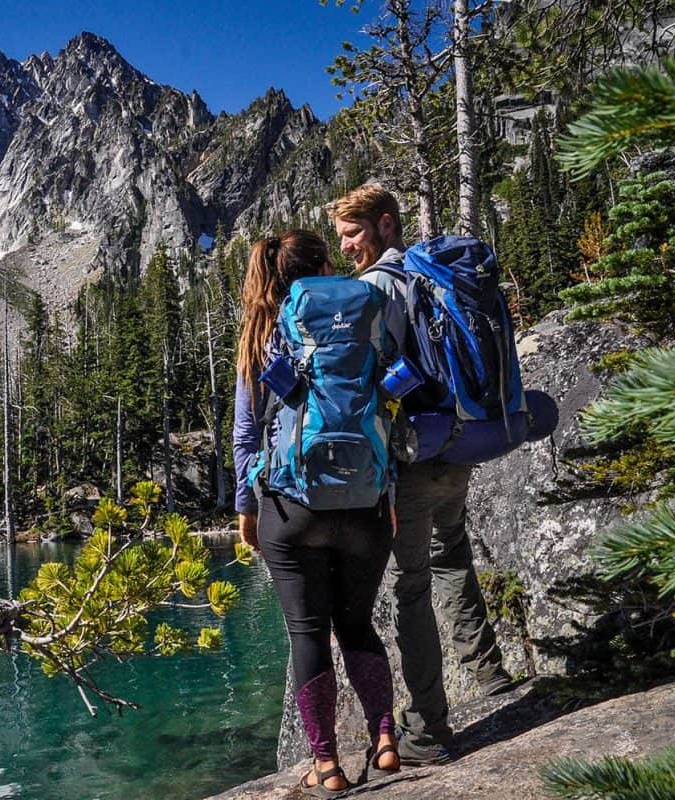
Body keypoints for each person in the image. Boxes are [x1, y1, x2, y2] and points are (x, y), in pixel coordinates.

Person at [330, 184, 514, 766]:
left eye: (354, 233)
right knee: (451, 555)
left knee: (410, 586)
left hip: (412, 457)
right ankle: (489, 675)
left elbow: (366, 376)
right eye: (340, 237)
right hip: (457, 444)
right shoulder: (426, 274)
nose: (346, 247)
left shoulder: (377, 286)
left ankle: (428, 730)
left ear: (385, 225)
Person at [234, 231, 400, 797]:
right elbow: (385, 403)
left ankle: (325, 764)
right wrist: (389, 496)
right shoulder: (358, 321)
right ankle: (385, 739)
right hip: (367, 501)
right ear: (324, 269)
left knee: (308, 632)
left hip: (292, 506)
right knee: (357, 624)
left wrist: (246, 508)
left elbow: (244, 435)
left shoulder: (261, 336)